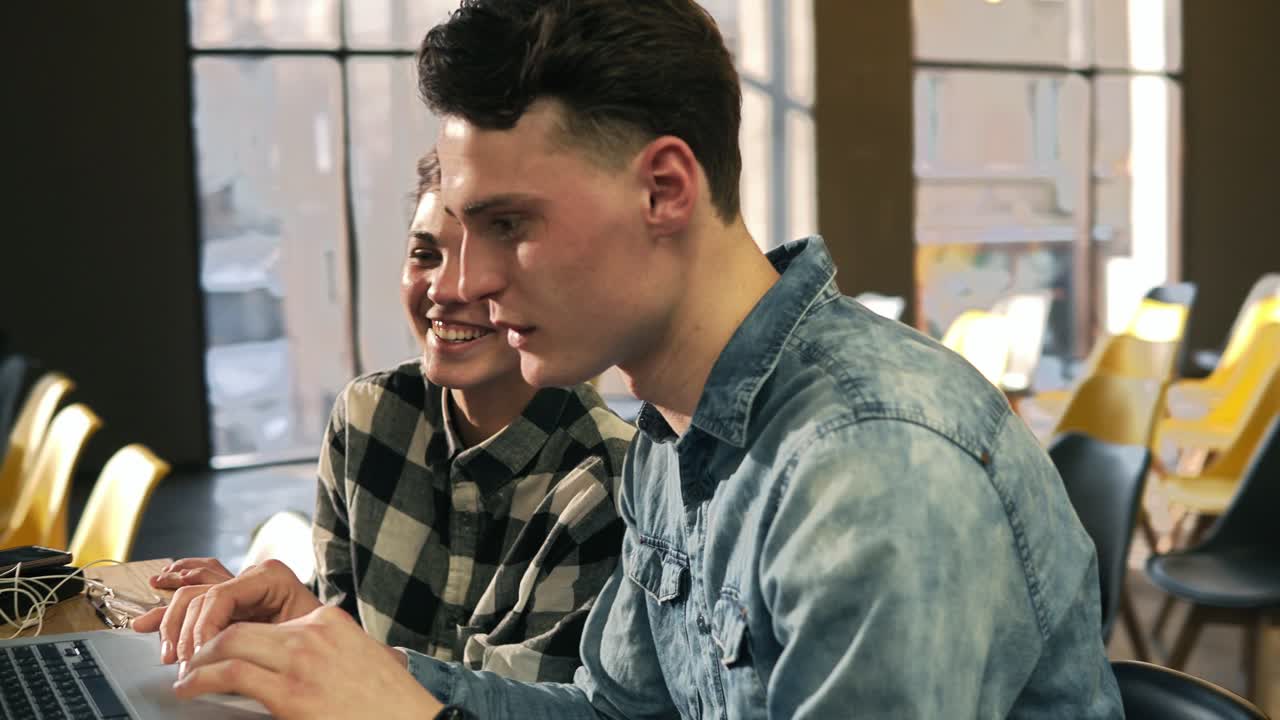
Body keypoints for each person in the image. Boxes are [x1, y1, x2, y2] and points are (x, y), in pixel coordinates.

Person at [162, 1, 1124, 717]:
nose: (470, 282)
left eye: (509, 225)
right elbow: (616, 715)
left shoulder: (873, 469)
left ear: (664, 189)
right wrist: (350, 669)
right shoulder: (672, 433)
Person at [135, 149, 635, 685]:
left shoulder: (606, 481)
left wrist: (308, 630)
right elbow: (338, 632)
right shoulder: (368, 416)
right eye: (425, 254)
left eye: (488, 262)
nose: (443, 289)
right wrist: (276, 619)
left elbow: (514, 706)